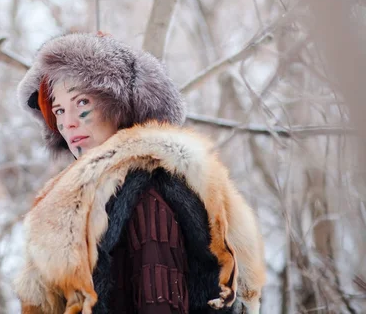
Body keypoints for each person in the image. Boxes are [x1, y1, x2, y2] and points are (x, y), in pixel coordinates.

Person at [14, 32, 262, 314]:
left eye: (82, 103)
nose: (67, 123)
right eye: (58, 110)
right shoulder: (87, 202)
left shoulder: (147, 198)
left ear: (121, 106)